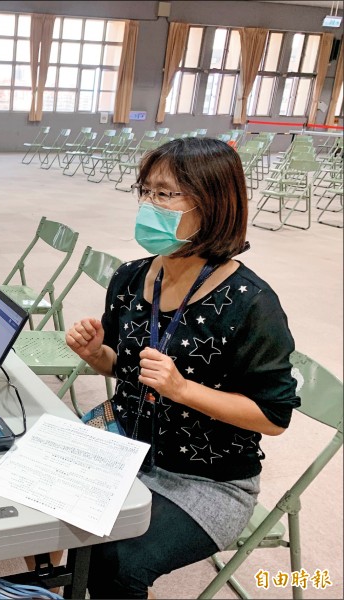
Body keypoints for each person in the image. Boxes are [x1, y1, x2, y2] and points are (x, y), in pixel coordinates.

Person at [65, 137, 300, 599]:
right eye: (146, 191)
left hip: (204, 480)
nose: (150, 205)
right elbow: (130, 369)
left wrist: (183, 389)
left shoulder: (252, 303)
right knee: (50, 506)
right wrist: (98, 356)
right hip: (125, 443)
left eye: (166, 194)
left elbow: (274, 417)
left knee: (117, 562)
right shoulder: (132, 276)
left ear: (212, 204)